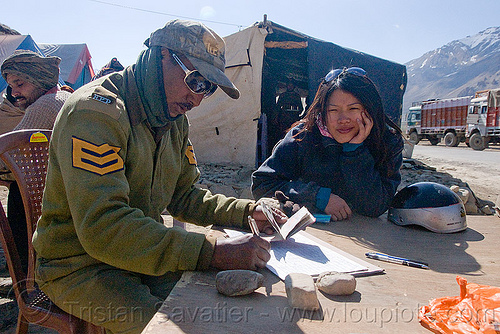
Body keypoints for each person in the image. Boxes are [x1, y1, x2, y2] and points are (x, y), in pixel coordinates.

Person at [32, 19, 286, 333]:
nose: (197, 99)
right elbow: (104, 228)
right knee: (169, 328)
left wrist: (248, 211)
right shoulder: (95, 113)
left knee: (225, 313)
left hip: (139, 255)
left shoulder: (173, 118)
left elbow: (185, 196)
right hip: (78, 267)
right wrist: (211, 251)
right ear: (162, 55)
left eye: (208, 89)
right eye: (196, 81)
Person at [252, 67, 404, 221]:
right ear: (322, 111)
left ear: (369, 109)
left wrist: (354, 152)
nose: (343, 119)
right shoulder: (303, 136)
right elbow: (262, 184)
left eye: (353, 108)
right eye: (333, 110)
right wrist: (317, 196)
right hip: (312, 234)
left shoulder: (387, 141)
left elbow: (376, 207)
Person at [0, 50, 71, 271]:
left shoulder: (44, 105)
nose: (14, 92)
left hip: (50, 200)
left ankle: (26, 276)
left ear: (37, 79)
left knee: (16, 192)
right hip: (67, 195)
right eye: (11, 86)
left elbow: (7, 156)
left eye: (19, 84)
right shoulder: (65, 97)